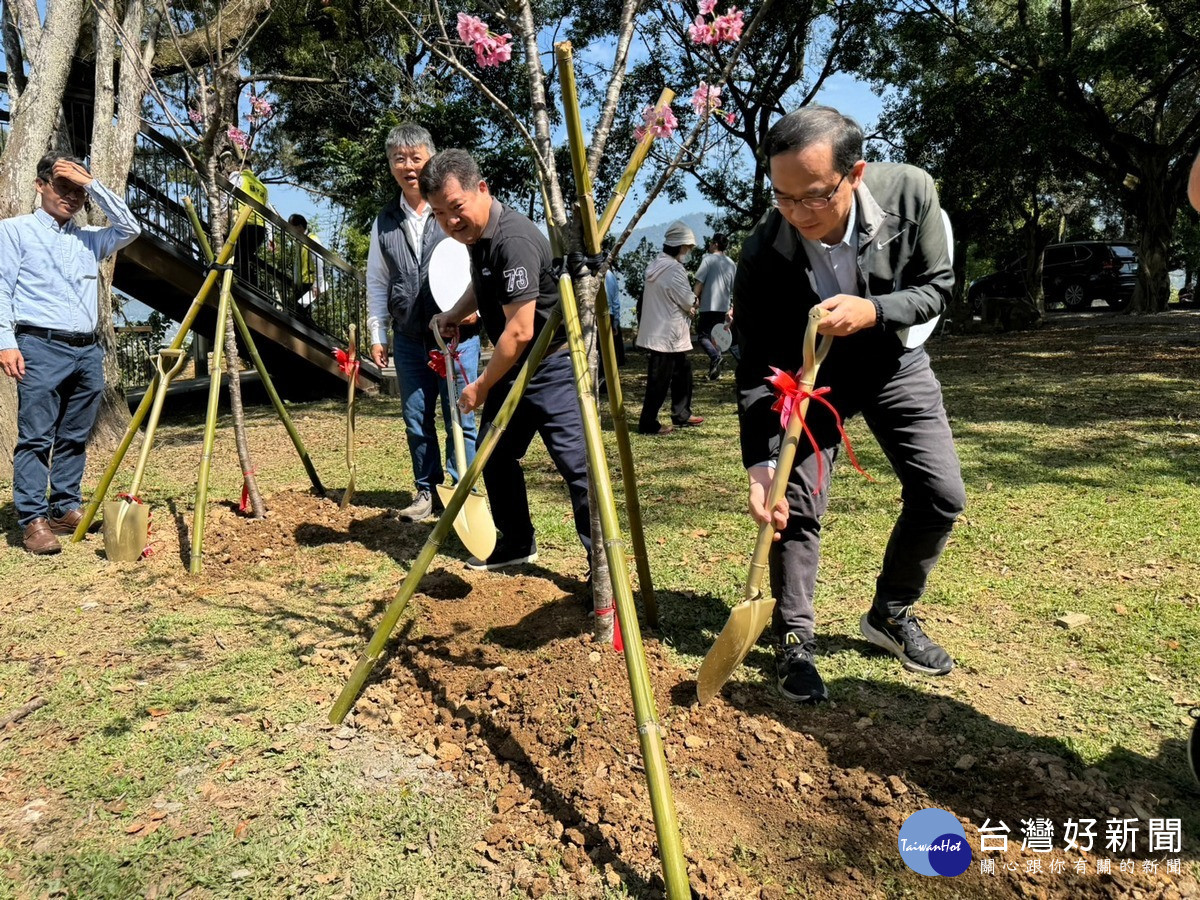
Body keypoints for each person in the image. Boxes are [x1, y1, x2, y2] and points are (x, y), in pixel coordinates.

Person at [734, 105, 966, 703]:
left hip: (893, 360)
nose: (796, 214)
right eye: (782, 197)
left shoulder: (910, 193)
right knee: (795, 505)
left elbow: (939, 286)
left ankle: (889, 613)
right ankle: (794, 640)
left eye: (812, 197)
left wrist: (875, 311)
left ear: (854, 174)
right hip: (811, 377)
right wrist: (760, 462)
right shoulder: (763, 248)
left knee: (941, 495)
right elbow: (756, 358)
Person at [423, 149, 591, 572]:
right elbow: (485, 290)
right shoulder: (477, 238)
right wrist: (452, 315)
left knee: (578, 469)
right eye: (440, 214)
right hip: (514, 365)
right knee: (495, 456)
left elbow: (520, 331)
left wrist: (481, 386)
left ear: (482, 189)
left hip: (551, 368)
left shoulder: (512, 238)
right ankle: (517, 542)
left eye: (456, 208)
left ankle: (601, 569)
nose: (450, 222)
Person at [0, 152, 141, 554]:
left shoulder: (90, 238)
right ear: (40, 185)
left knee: (75, 435)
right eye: (63, 186)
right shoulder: (14, 231)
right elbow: (1, 287)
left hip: (87, 350)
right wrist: (5, 342)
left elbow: (131, 227)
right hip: (38, 345)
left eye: (78, 191)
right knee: (35, 437)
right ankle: (33, 520)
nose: (71, 196)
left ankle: (64, 507)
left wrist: (92, 183)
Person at [366, 124, 482, 522]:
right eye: (400, 159)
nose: (409, 166)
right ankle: (426, 491)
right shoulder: (383, 221)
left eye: (416, 157)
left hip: (458, 336)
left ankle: (462, 489)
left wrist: (477, 310)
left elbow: (483, 264)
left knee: (462, 417)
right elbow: (378, 281)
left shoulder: (454, 207)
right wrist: (377, 332)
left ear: (430, 158)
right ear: (391, 165)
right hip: (411, 339)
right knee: (417, 419)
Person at [635, 221, 704, 436]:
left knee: (682, 371)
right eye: (688, 247)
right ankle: (648, 423)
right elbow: (687, 299)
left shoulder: (656, 265)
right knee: (659, 381)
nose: (689, 250)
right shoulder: (674, 269)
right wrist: (694, 303)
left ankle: (681, 412)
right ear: (680, 246)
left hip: (659, 331)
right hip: (669, 333)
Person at [693, 233, 737, 380]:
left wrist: (693, 300)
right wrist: (732, 308)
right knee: (716, 339)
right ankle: (714, 373)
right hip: (723, 306)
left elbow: (699, 282)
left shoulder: (708, 260)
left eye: (711, 243)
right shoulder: (731, 263)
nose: (709, 245)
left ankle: (715, 358)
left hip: (708, 305)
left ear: (716, 244)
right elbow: (735, 289)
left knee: (703, 337)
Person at [287, 213, 324, 321]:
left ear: (299, 227)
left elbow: (319, 261)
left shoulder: (312, 239)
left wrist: (317, 284)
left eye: (292, 227)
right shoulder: (299, 242)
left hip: (310, 283)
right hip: (301, 283)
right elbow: (297, 263)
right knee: (301, 313)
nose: (291, 231)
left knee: (302, 313)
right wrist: (295, 280)